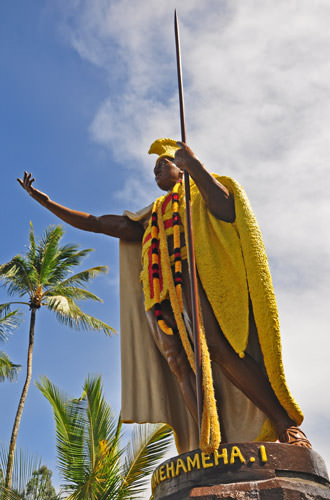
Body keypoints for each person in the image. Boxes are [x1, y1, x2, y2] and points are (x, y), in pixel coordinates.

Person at [18, 139, 311, 453]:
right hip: (157, 296)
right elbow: (98, 223)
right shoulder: (151, 217)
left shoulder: (199, 194)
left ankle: (285, 425)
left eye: (165, 163)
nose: (157, 169)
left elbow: (227, 209)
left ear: (181, 167)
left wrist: (195, 165)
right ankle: (207, 443)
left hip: (191, 279)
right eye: (155, 168)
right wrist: (46, 202)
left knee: (218, 348)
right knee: (180, 365)